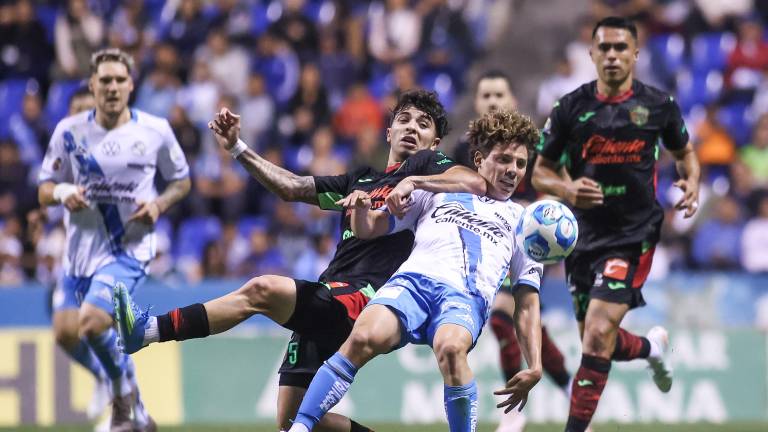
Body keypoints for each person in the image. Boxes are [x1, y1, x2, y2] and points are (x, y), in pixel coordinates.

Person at [114, 90, 488, 432]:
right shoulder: (360, 178)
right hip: (329, 291)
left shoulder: (426, 166)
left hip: (365, 300)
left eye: (424, 125)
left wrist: (415, 183)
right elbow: (291, 187)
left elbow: (470, 180)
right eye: (404, 119)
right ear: (388, 131)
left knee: (262, 289)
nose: (412, 128)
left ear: (434, 142)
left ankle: (149, 331)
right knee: (290, 420)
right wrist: (236, 148)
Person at [287, 109, 543, 432]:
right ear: (479, 160)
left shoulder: (525, 224)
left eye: (520, 164)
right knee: (364, 336)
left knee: (451, 349)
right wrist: (362, 210)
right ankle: (300, 428)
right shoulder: (436, 192)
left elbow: (528, 301)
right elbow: (371, 229)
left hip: (464, 298)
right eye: (504, 160)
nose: (513, 171)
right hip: (412, 283)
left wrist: (534, 364)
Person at [532, 17, 701, 432]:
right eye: (603, 48)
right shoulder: (570, 107)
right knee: (598, 341)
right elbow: (541, 172)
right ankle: (650, 348)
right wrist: (569, 193)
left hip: (633, 235)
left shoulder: (659, 105)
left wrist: (691, 180)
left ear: (635, 55)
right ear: (591, 54)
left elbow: (686, 152)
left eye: (620, 48)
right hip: (581, 237)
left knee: (598, 333)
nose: (611, 56)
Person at [38, 48, 191, 431]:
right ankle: (135, 409)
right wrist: (61, 194)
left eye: (119, 80)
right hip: (79, 255)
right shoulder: (69, 132)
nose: (112, 87)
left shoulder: (154, 131)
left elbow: (182, 182)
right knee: (68, 332)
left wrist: (159, 204)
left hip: (129, 249)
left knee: (90, 323)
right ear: (92, 85)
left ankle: (121, 402)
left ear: (131, 85)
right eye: (104, 80)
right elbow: (44, 186)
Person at [456, 70, 573, 432]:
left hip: (524, 243)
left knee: (503, 316)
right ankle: (573, 394)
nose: (492, 101)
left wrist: (540, 215)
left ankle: (512, 415)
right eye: (485, 96)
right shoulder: (464, 152)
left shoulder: (533, 148)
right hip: (482, 245)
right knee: (528, 324)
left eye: (499, 95)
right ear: (476, 103)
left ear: (513, 102)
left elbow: (562, 188)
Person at [48, 85, 112, 424]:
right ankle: (102, 377)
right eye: (76, 109)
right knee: (63, 331)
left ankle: (122, 412)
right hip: (74, 260)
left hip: (108, 257)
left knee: (98, 328)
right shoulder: (62, 153)